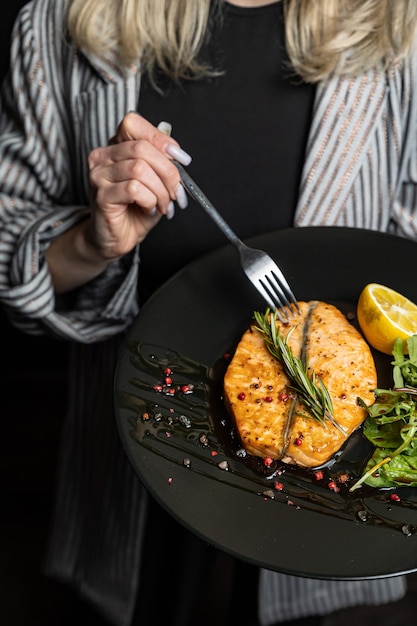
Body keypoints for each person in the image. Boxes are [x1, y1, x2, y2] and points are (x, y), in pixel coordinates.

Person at [0, 0, 416, 624]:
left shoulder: (400, 29)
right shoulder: (57, 21)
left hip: (330, 507)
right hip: (135, 447)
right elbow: (9, 250)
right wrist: (92, 241)